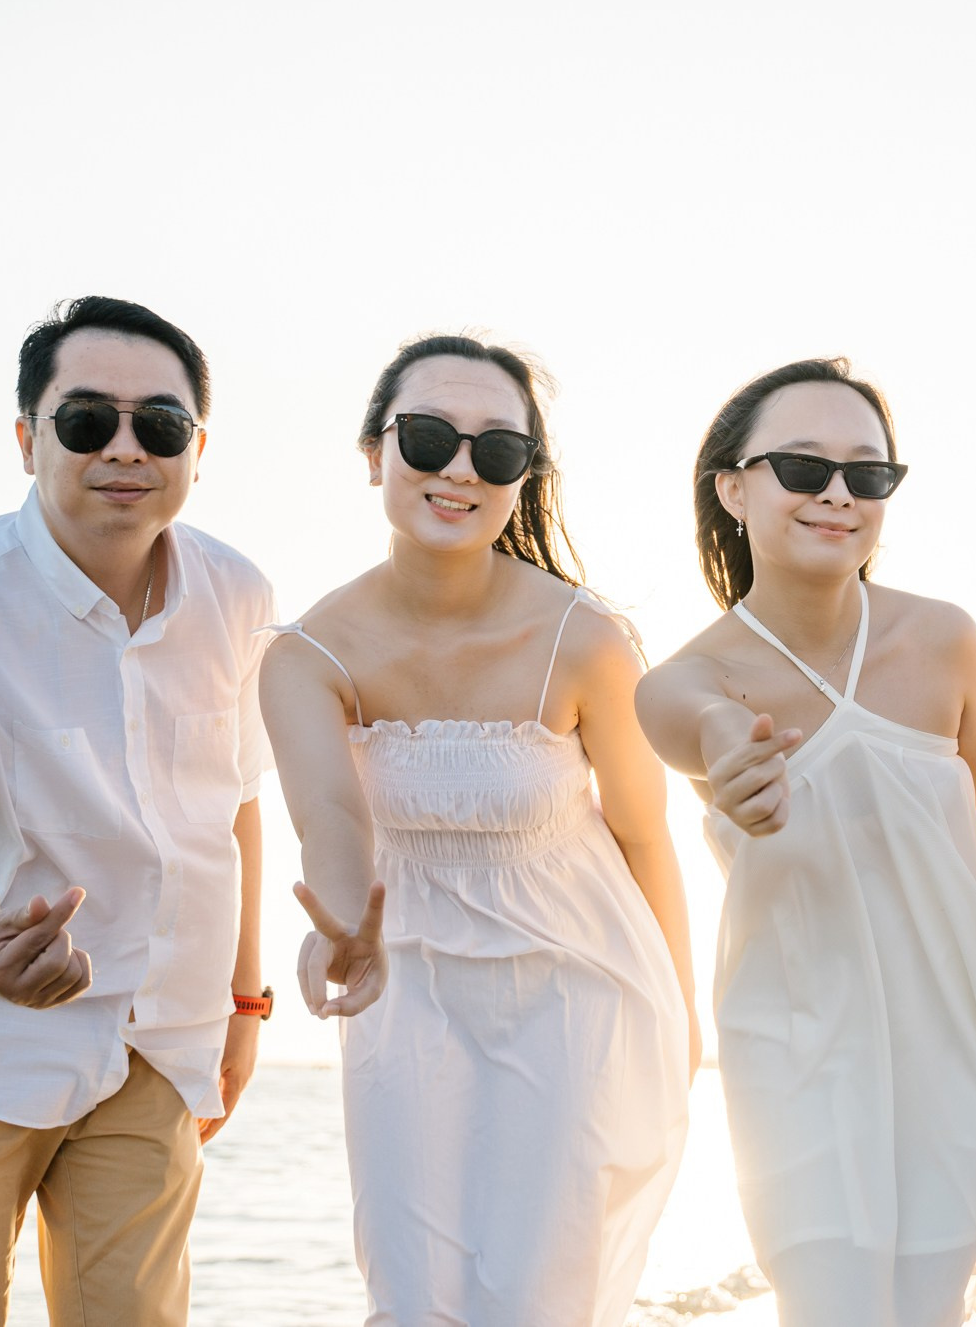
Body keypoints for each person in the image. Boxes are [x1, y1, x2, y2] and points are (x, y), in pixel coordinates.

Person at [634, 359, 976, 1327]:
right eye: (802, 466)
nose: (836, 492)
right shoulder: (684, 680)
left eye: (866, 474)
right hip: (796, 1050)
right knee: (826, 1303)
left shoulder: (945, 639)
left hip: (958, 1036)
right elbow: (695, 725)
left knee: (926, 1306)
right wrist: (730, 752)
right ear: (732, 488)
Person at [258, 334, 694, 1327]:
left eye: (495, 452)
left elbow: (642, 834)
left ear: (521, 479)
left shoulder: (583, 638)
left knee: (539, 1296)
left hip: (577, 987)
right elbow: (328, 819)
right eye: (427, 437)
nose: (459, 468)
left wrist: (683, 1013)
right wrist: (339, 925)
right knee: (415, 1295)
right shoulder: (306, 654)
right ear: (374, 453)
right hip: (401, 981)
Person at [0, 296, 277, 1326]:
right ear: (26, 439)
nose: (125, 448)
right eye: (87, 420)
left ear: (197, 446)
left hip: (155, 1038)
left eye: (160, 425)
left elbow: (236, 807)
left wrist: (245, 1000)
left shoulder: (238, 596)